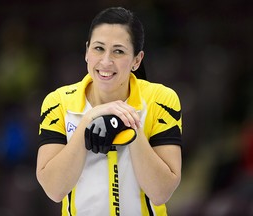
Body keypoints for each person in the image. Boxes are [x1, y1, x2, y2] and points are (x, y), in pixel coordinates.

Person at [36, 6, 182, 216]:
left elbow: (161, 192)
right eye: (98, 48)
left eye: (119, 51)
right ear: (86, 51)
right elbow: (54, 189)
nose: (106, 61)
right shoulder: (57, 102)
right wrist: (88, 120)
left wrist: (130, 123)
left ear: (137, 60)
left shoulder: (162, 100)